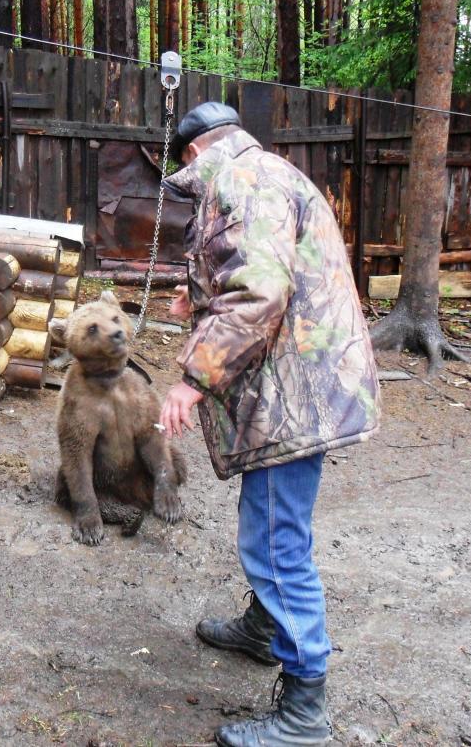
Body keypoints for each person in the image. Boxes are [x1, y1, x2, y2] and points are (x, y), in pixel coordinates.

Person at [158, 102, 380, 746]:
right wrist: (196, 295)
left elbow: (259, 293)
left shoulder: (241, 183)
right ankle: (265, 628)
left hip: (293, 394)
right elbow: (256, 268)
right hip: (297, 380)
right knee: (275, 526)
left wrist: (193, 378)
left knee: (275, 541)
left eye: (184, 173)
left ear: (196, 155)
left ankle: (306, 710)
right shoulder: (269, 172)